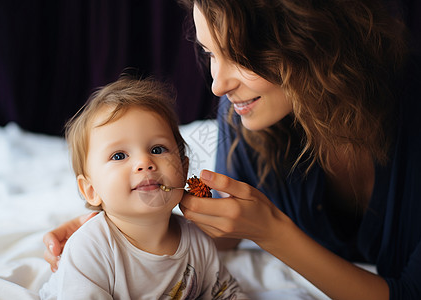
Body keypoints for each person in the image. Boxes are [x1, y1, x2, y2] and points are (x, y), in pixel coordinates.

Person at [44, 1, 421, 299]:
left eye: (239, 56)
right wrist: (128, 229)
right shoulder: (245, 117)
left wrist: (273, 233)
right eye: (210, 54)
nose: (217, 85)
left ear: (312, 38)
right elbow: (226, 229)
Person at [39, 75, 247, 299]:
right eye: (119, 155)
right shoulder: (90, 249)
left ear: (184, 170)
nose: (144, 163)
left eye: (158, 149)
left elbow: (226, 293)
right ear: (90, 190)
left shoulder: (198, 242)